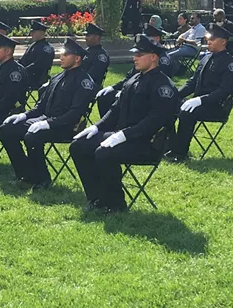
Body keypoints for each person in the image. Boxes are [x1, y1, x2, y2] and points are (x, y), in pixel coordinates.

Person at [70, 34, 179, 213]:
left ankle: (116, 204)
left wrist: (123, 135)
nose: (134, 57)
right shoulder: (134, 79)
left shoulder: (162, 86)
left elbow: (154, 121)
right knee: (78, 146)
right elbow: (115, 110)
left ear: (153, 57)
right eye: (134, 54)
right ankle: (97, 197)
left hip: (147, 143)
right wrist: (96, 127)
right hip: (124, 137)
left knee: (104, 153)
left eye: (139, 54)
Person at [0, 38, 95, 190]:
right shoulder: (57, 78)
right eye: (62, 54)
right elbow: (41, 106)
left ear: (77, 59)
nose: (61, 57)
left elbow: (74, 114)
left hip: (66, 127)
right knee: (6, 129)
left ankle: (42, 179)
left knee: (32, 137)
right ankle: (25, 173)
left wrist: (47, 124)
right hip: (44, 120)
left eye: (66, 55)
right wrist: (24, 116)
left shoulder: (84, 82)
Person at [165, 24, 233, 162]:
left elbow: (224, 92)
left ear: (223, 42)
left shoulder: (230, 64)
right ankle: (170, 147)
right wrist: (176, 96)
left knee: (186, 113)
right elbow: (192, 82)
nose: (209, 42)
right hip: (198, 102)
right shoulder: (206, 58)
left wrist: (200, 100)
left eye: (212, 39)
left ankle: (181, 153)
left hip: (215, 107)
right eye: (208, 39)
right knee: (167, 106)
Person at [95, 25, 176, 117]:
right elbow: (129, 78)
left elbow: (156, 82)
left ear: (157, 38)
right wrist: (114, 87)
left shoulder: (161, 60)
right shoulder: (143, 58)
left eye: (148, 37)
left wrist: (126, 92)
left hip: (147, 95)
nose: (135, 58)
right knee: (105, 96)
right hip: (136, 88)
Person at [20, 20, 55, 90]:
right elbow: (23, 60)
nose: (31, 34)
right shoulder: (33, 45)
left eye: (33, 32)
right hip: (27, 76)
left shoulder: (46, 48)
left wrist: (22, 72)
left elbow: (38, 65)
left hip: (36, 78)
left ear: (41, 32)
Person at [83, 23, 110, 88]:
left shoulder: (101, 56)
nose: (86, 38)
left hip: (89, 89)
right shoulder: (86, 51)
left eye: (88, 35)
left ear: (97, 37)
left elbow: (93, 76)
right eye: (85, 35)